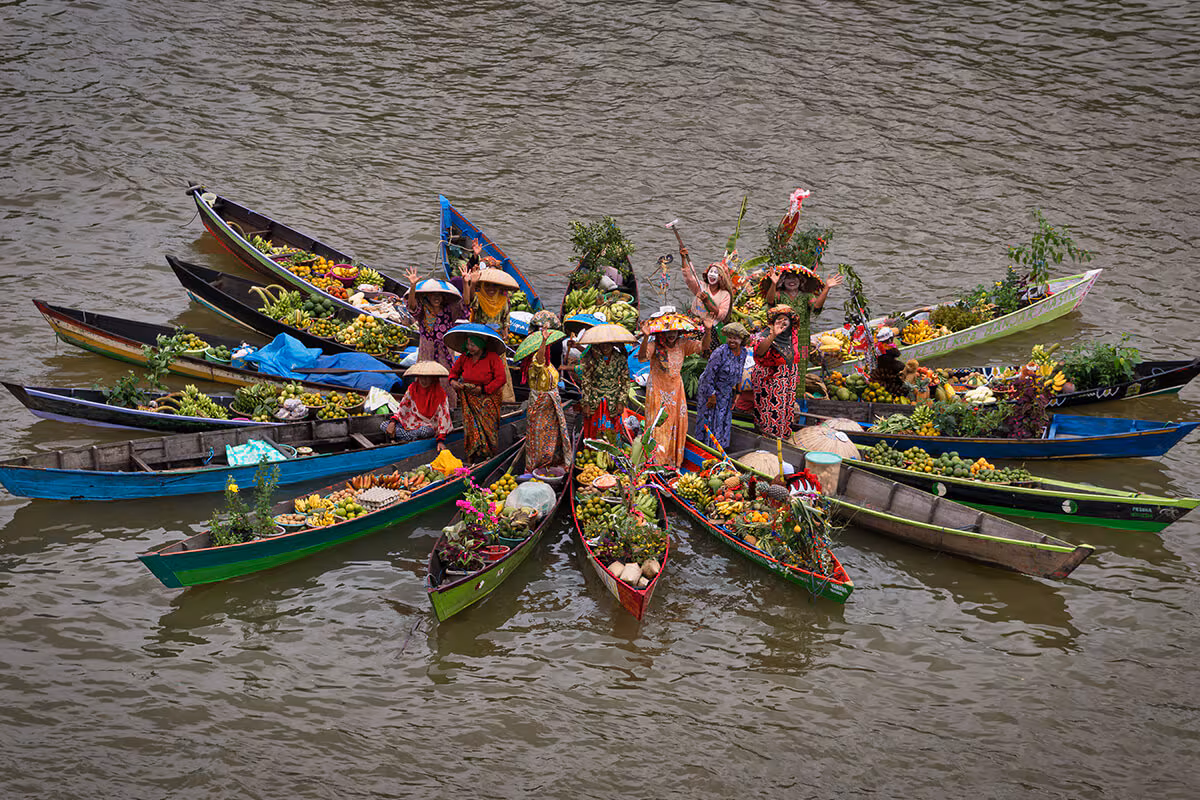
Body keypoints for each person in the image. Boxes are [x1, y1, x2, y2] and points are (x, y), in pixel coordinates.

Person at [638, 316, 711, 467]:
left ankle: (673, 462)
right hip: (657, 390)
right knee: (659, 425)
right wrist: (645, 337)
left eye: (674, 331)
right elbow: (642, 358)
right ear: (661, 332)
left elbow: (703, 346)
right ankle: (656, 462)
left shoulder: (683, 344)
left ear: (679, 331)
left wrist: (708, 330)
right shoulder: (654, 345)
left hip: (676, 390)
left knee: (678, 424)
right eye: (668, 331)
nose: (671, 334)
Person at [404, 271, 462, 408]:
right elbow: (412, 307)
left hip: (445, 351)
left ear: (443, 297)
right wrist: (413, 286)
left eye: (439, 295)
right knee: (425, 379)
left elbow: (465, 304)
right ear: (427, 296)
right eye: (433, 295)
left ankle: (448, 409)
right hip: (427, 351)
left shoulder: (449, 310)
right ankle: (425, 408)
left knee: (445, 381)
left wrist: (467, 283)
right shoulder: (422, 309)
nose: (436, 298)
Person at [763, 264, 844, 362]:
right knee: (783, 364)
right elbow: (770, 301)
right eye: (788, 278)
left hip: (803, 336)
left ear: (800, 281)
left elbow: (817, 306)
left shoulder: (807, 296)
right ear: (783, 281)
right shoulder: (779, 294)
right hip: (783, 336)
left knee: (802, 362)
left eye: (795, 278)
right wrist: (773, 284)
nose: (792, 281)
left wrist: (827, 288)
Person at [448, 334, 507, 461]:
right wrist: (453, 381)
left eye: (473, 345)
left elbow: (501, 378)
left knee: (489, 428)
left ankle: (489, 455)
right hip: (469, 398)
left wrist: (484, 389)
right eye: (468, 344)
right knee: (470, 427)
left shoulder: (492, 357)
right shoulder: (465, 357)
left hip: (488, 398)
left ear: (481, 345)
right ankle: (472, 454)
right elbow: (454, 372)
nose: (470, 347)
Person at [751, 305, 805, 439]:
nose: (782, 322)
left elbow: (798, 354)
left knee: (786, 409)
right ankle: (768, 439)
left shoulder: (793, 335)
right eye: (778, 319)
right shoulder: (766, 334)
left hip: (788, 380)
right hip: (771, 380)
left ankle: (783, 436)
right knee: (771, 412)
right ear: (773, 322)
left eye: (785, 319)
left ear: (791, 321)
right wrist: (773, 335)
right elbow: (759, 352)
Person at [693, 322, 749, 448]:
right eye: (730, 337)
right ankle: (705, 448)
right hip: (710, 388)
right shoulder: (720, 352)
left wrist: (738, 393)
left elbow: (739, 373)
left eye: (736, 338)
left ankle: (719, 448)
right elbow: (709, 375)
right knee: (709, 418)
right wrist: (711, 395)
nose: (732, 340)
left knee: (722, 418)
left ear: (742, 339)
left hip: (726, 391)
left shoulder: (743, 353)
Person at [464, 267, 516, 403]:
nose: (491, 289)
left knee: (499, 371)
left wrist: (505, 333)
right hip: (480, 341)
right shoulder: (479, 298)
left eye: (494, 285)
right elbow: (468, 301)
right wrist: (472, 283)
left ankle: (501, 398)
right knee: (482, 368)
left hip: (497, 340)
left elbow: (505, 320)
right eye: (487, 285)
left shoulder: (504, 301)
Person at [524, 330, 571, 470]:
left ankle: (552, 462)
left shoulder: (549, 365)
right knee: (538, 434)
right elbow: (539, 361)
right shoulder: (534, 363)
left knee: (554, 434)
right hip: (540, 403)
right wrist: (543, 341)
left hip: (552, 403)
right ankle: (536, 465)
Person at [382, 362, 453, 449]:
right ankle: (407, 437)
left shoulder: (440, 393)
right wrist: (393, 422)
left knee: (424, 432)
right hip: (411, 422)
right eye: (421, 377)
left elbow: (444, 416)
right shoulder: (412, 388)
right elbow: (402, 407)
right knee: (384, 425)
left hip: (428, 425)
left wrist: (440, 440)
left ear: (433, 378)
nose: (424, 380)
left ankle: (401, 437)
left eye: (427, 377)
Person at [578, 337, 631, 439]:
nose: (605, 346)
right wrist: (586, 403)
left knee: (612, 433)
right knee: (594, 432)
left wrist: (621, 401)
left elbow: (625, 381)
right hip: (595, 400)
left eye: (608, 343)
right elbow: (586, 382)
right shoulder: (591, 359)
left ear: (613, 344)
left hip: (613, 400)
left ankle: (612, 453)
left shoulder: (620, 358)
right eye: (602, 343)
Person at [679, 247, 733, 329]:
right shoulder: (701, 286)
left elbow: (721, 316)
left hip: (711, 327)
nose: (712, 275)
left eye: (716, 273)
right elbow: (688, 277)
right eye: (711, 271)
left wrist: (707, 301)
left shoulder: (725, 295)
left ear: (721, 277)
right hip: (695, 322)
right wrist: (683, 259)